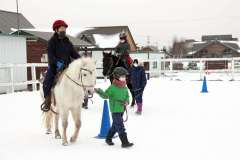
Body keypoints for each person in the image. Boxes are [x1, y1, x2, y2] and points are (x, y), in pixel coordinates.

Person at [42, 20, 80, 111]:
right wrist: (58, 63)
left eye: (64, 28)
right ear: (56, 30)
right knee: (46, 82)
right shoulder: (52, 42)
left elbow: (74, 53)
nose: (63, 30)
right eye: (61, 28)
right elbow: (51, 56)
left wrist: (82, 60)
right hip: (55, 67)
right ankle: (47, 101)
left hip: (67, 66)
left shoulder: (67, 41)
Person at [94, 67, 134, 148]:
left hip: (122, 109)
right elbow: (105, 95)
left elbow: (127, 96)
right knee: (120, 126)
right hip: (115, 110)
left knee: (115, 126)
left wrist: (127, 101)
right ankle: (125, 142)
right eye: (122, 76)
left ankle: (108, 138)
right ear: (117, 76)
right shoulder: (112, 88)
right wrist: (99, 91)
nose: (124, 78)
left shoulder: (125, 87)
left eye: (124, 76)